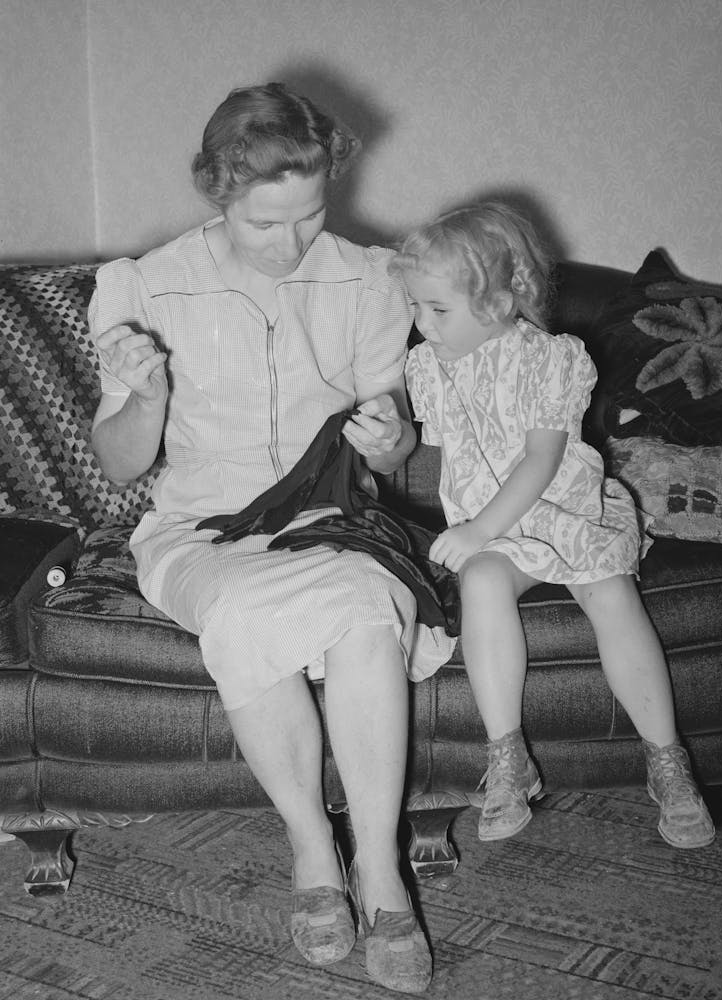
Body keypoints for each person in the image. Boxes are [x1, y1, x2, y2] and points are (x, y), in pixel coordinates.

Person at [89, 82, 452, 994]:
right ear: (216, 189)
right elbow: (121, 465)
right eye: (265, 225)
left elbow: (395, 430)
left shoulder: (371, 279)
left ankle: (377, 866)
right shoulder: (140, 287)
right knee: (250, 606)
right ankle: (312, 850)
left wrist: (391, 440)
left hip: (328, 522)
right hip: (201, 533)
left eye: (311, 215)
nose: (292, 246)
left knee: (369, 609)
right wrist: (148, 399)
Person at [391, 199, 715, 850]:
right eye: (416, 308)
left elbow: (543, 458)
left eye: (438, 309)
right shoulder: (426, 366)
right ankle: (507, 756)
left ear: (505, 296)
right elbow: (427, 444)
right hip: (495, 531)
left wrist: (480, 528)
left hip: (562, 510)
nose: (422, 325)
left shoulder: (552, 359)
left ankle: (667, 760)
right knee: (481, 581)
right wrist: (386, 428)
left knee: (609, 590)